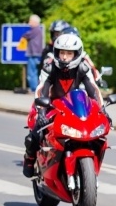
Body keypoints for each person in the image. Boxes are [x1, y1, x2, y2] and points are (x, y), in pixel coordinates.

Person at [21, 33, 103, 178]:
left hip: (73, 106)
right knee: (36, 134)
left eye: (69, 53)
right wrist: (41, 113)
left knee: (95, 134)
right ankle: (29, 159)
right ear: (56, 52)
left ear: (76, 54)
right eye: (62, 53)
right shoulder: (49, 68)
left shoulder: (83, 68)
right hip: (51, 105)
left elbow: (93, 91)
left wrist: (101, 111)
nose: (64, 57)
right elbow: (41, 91)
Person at [21, 14, 44, 93]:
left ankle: (34, 88)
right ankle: (35, 88)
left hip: (33, 53)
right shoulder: (38, 30)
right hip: (36, 53)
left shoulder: (35, 30)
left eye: (30, 21)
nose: (29, 23)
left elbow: (26, 35)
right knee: (34, 71)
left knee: (32, 72)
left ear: (35, 22)